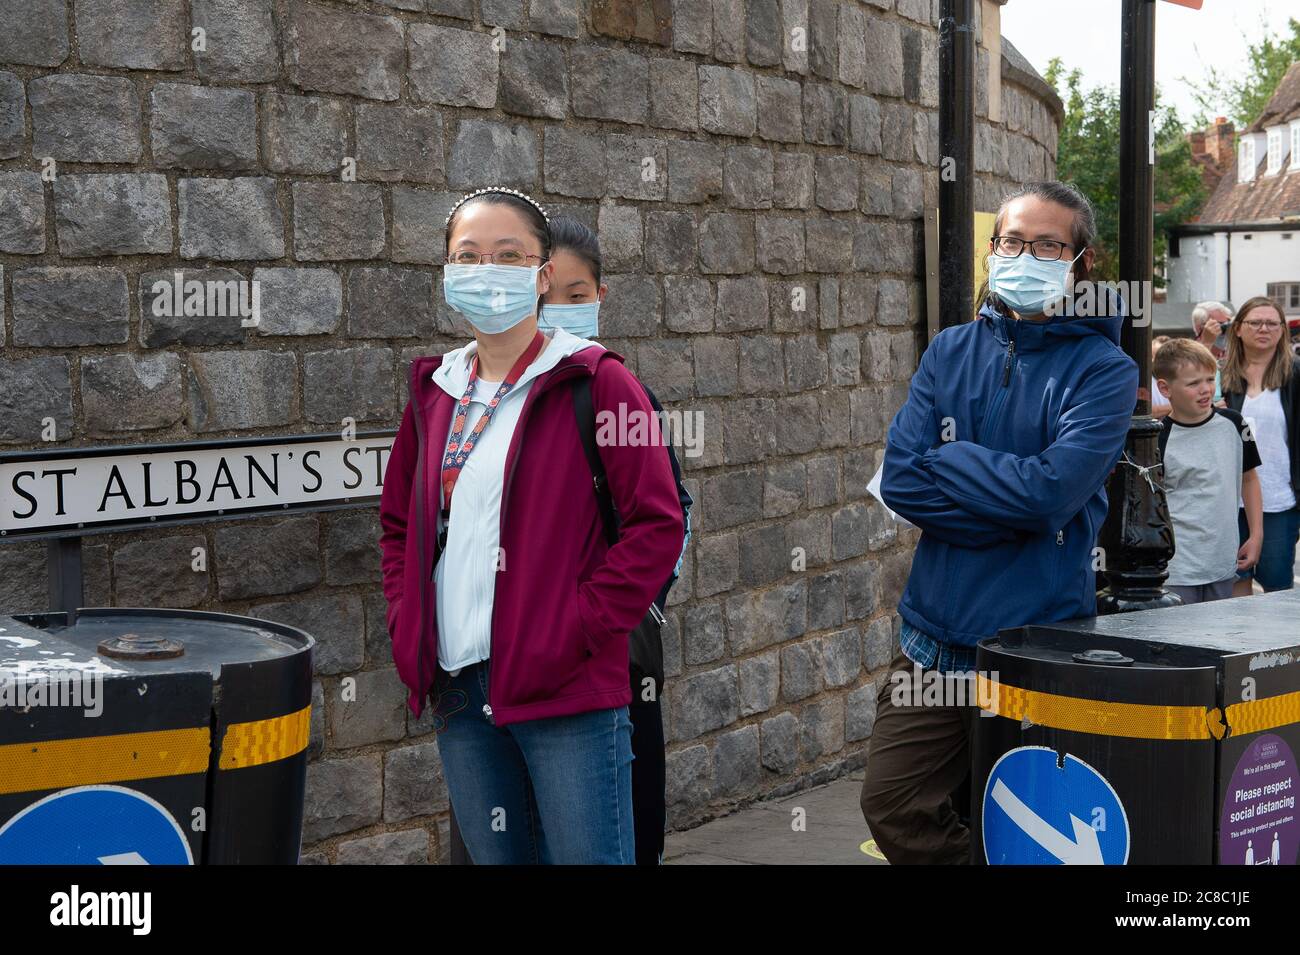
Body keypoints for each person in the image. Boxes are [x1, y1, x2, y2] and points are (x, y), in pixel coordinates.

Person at [377, 187, 684, 864]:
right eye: (468, 256)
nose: (486, 270)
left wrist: (575, 630)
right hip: (459, 687)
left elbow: (658, 525)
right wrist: (409, 623)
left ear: (542, 276)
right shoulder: (436, 392)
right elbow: (399, 524)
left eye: (507, 255)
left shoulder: (599, 382)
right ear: (447, 272)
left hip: (565, 690)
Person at [860, 181, 1137, 865]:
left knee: (1020, 826)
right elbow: (900, 480)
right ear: (993, 247)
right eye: (1013, 241)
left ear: (1081, 262)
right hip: (932, 640)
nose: (1026, 256)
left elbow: (1050, 495)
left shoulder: (1104, 371)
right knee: (893, 803)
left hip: (1031, 641)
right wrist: (1008, 515)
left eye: (1048, 246)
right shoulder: (950, 349)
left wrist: (952, 460)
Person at [538, 216, 693, 866]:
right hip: (517, 664)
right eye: (547, 295)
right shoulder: (487, 399)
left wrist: (614, 614)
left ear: (600, 297)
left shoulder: (621, 394)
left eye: (577, 296)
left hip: (616, 661)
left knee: (626, 825)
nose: (560, 310)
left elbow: (672, 518)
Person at [1154, 338, 1262, 604]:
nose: (1205, 389)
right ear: (1165, 388)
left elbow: (1249, 479)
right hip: (1177, 568)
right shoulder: (1157, 437)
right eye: (1193, 383)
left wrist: (1256, 534)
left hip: (1222, 561)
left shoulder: (1235, 423)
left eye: (1210, 379)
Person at [1221, 296, 1300, 595]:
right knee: (1234, 582)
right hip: (1228, 499)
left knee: (1277, 587)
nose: (1264, 329)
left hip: (1278, 498)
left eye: (1271, 323)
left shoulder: (1295, 374)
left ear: (1282, 330)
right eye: (1255, 322)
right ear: (1238, 329)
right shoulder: (1220, 376)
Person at [1150, 335, 1172, 420]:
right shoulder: (1142, 381)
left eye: (1158, 357)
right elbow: (1144, 412)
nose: (1152, 361)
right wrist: (1178, 406)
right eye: (1151, 356)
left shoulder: (1182, 380)